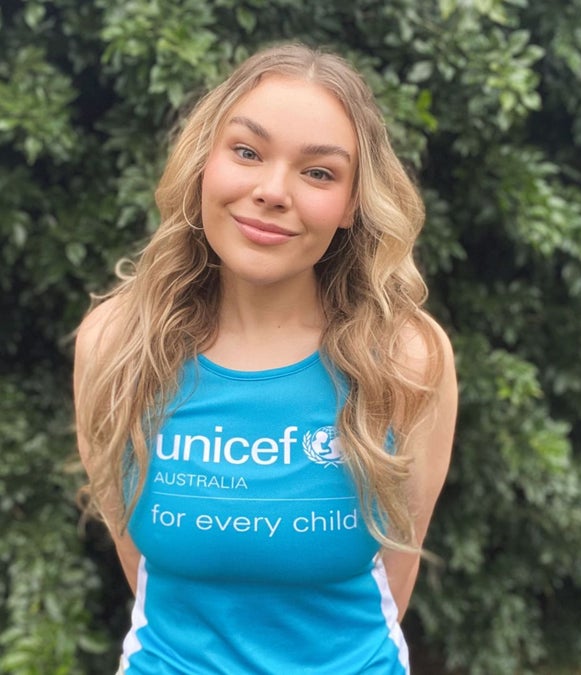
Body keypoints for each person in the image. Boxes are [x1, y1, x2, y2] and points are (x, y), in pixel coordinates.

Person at [73, 43, 457, 674]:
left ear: (352, 203)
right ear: (205, 162)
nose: (273, 192)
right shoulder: (116, 345)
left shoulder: (406, 358)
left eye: (319, 173)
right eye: (247, 152)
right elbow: (137, 560)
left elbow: (397, 567)